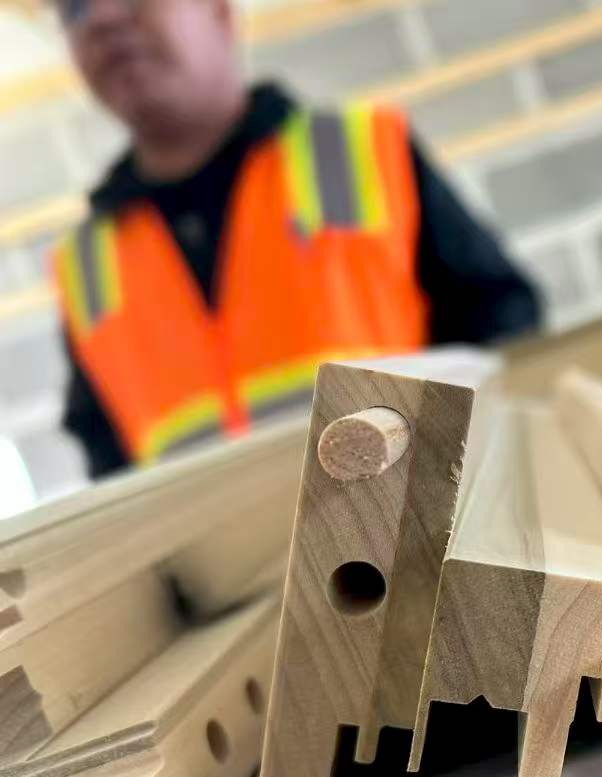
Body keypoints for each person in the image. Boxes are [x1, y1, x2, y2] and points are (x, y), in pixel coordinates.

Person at [49, 0, 540, 478]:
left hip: (408, 528)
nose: (101, 17)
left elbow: (501, 333)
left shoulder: (359, 151)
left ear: (219, 11)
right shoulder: (85, 266)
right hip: (221, 540)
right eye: (73, 8)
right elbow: (111, 472)